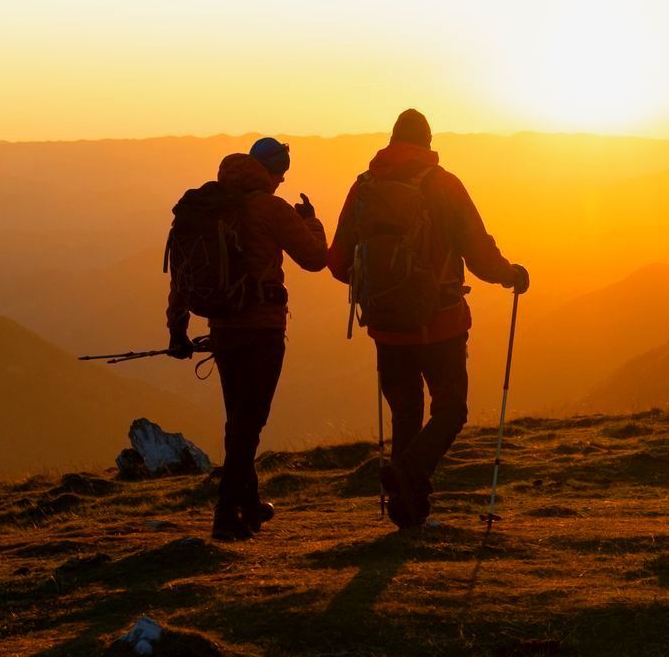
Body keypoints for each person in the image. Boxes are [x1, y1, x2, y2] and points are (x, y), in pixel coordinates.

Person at [327, 109, 528, 529]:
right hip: (442, 321)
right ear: (429, 142)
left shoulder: (364, 188)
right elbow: (478, 252)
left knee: (405, 413)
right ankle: (407, 477)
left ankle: (407, 511)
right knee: (451, 409)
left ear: (392, 140)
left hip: (386, 326)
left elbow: (339, 262)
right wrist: (511, 274)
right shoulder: (444, 185)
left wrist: (381, 287)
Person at [167, 137, 327, 541]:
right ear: (269, 171)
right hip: (262, 329)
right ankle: (225, 514)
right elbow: (314, 260)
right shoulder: (270, 209)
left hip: (222, 329)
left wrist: (177, 330)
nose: (282, 181)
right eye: (281, 172)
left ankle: (250, 504)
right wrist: (311, 222)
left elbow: (183, 273)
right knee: (249, 422)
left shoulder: (212, 208)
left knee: (238, 418)